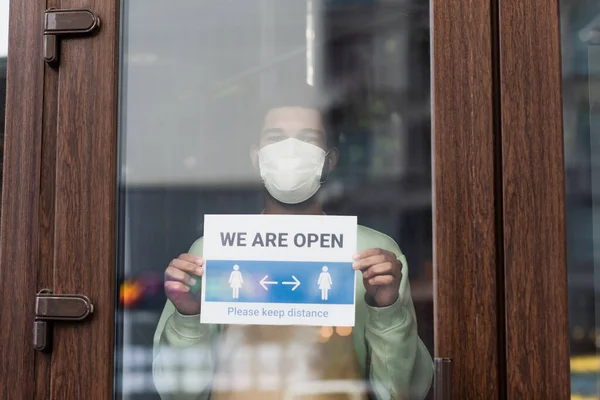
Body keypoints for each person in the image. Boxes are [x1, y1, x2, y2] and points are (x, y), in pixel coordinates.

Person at [152, 86, 434, 400]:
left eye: (308, 138)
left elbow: (402, 394)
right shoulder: (210, 253)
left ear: (331, 160)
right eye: (275, 137)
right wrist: (189, 318)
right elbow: (178, 394)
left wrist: (388, 309)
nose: (290, 148)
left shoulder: (374, 256)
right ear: (255, 156)